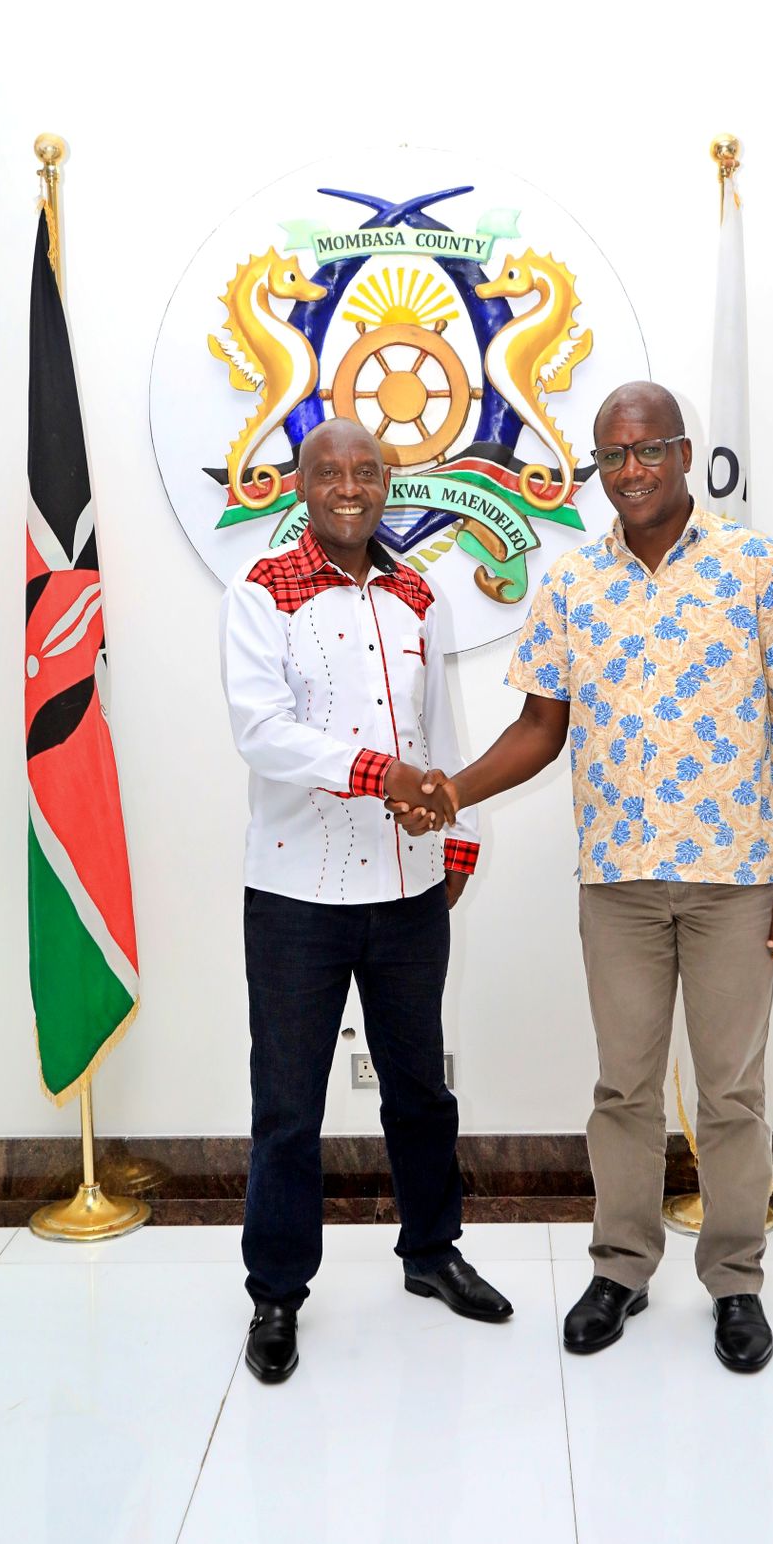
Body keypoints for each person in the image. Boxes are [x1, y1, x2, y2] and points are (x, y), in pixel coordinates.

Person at [391, 381, 773, 1373]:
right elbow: (538, 731)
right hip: (619, 882)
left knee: (730, 1095)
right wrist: (448, 793)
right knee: (622, 1089)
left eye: (646, 450)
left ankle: (733, 1281)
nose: (628, 470)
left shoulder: (759, 567)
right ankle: (622, 1268)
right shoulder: (573, 585)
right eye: (611, 457)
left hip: (732, 877)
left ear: (683, 453)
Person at [220, 419, 513, 1385]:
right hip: (297, 892)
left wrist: (456, 830)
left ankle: (431, 1253)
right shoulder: (261, 592)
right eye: (329, 471)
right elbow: (261, 733)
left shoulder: (418, 594)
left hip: (406, 888)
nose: (350, 485)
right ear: (298, 486)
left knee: (419, 1088)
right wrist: (372, 770)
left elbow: (442, 724)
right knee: (290, 1105)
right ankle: (276, 1291)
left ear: (388, 483)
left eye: (367, 471)